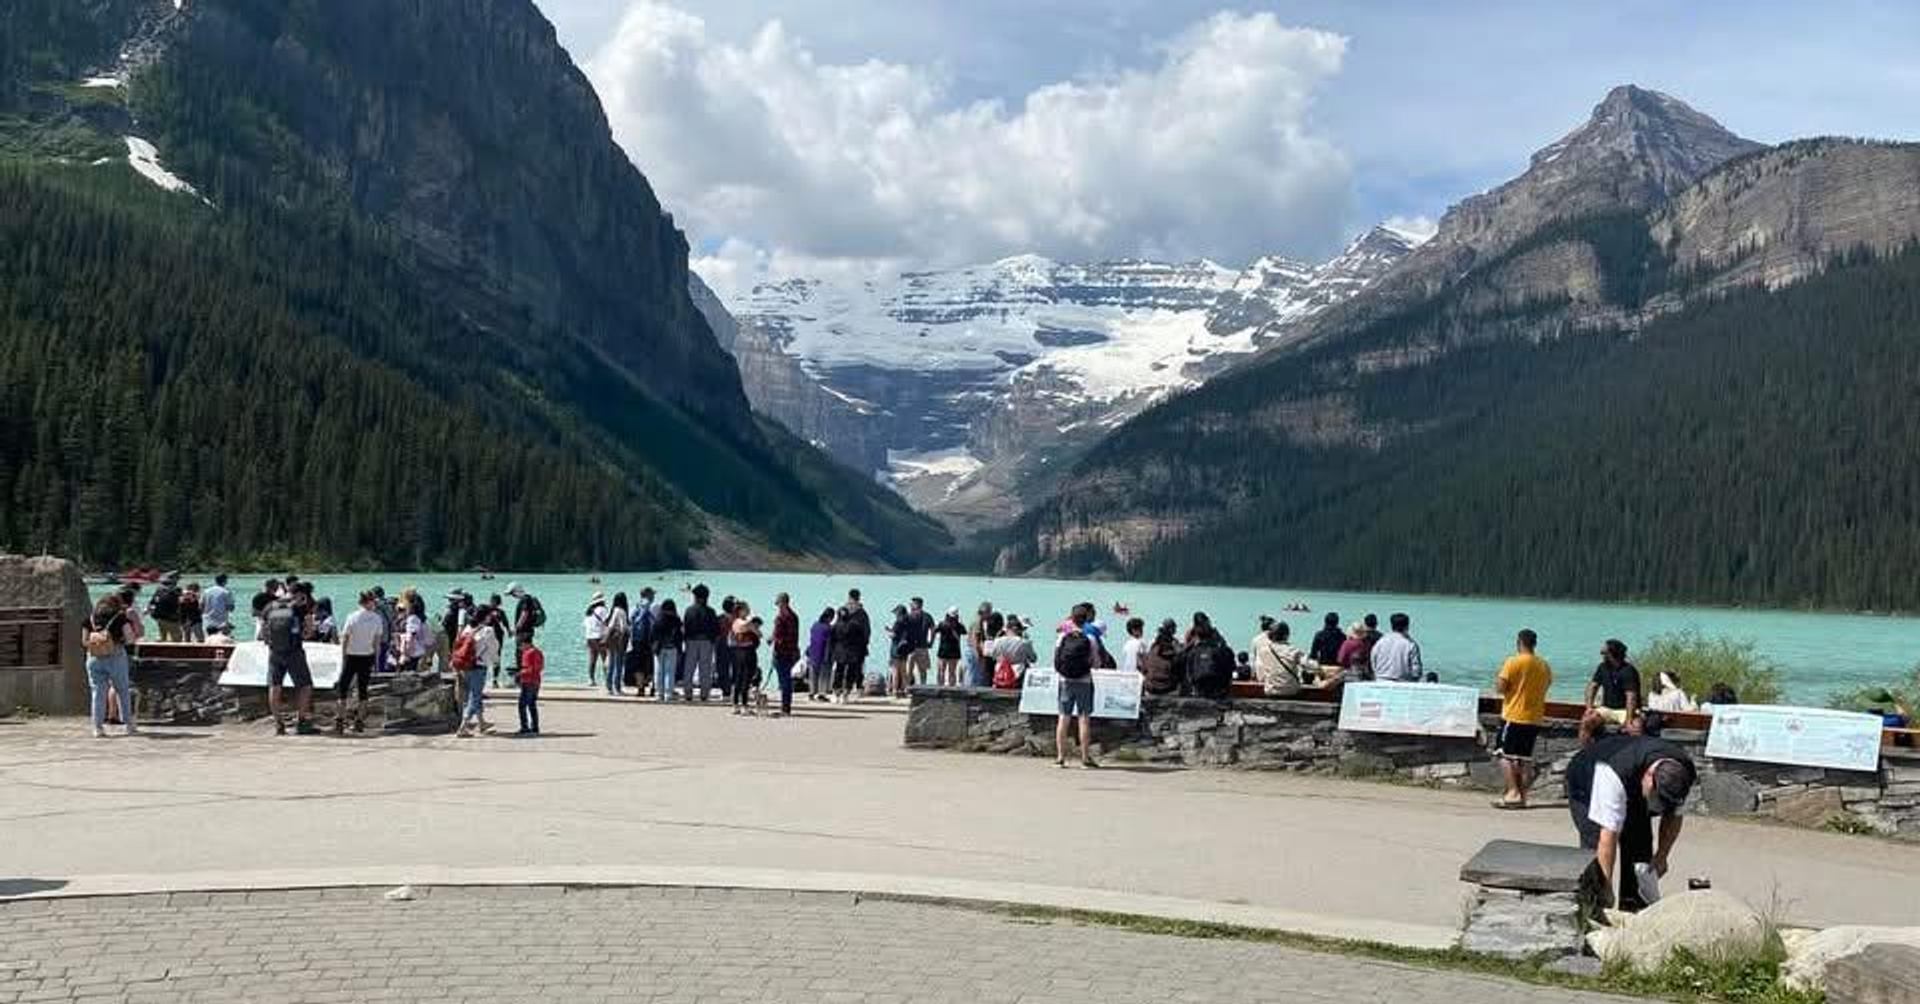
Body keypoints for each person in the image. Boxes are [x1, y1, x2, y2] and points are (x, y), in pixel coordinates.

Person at [1564, 720, 1697, 911]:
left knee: (1640, 848)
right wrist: (1606, 888)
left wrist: (1661, 856)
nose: (1656, 808)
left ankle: (1634, 909)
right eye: (1656, 800)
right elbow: (1607, 836)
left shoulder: (1683, 772)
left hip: (1633, 782)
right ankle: (1592, 910)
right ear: (1649, 778)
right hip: (1587, 778)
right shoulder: (1613, 775)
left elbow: (1674, 815)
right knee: (1593, 854)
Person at [1492, 628, 1553, 809]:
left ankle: (1513, 792)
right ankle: (1523, 795)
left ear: (1519, 642)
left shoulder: (1513, 662)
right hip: (1534, 717)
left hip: (1514, 715)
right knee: (1524, 758)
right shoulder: (1543, 665)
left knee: (1503, 754)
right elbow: (1547, 685)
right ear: (1534, 644)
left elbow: (1501, 687)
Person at [82, 594, 137, 738]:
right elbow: (130, 638)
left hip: (93, 658)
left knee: (97, 693)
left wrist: (98, 643)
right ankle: (128, 725)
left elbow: (84, 641)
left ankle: (97, 728)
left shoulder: (90, 619)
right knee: (122, 690)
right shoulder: (120, 618)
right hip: (116, 656)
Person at [1053, 603, 1100, 769]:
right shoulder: (1091, 639)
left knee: (1063, 717)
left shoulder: (1062, 637)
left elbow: (1057, 660)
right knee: (1084, 718)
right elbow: (1096, 664)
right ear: (1086, 619)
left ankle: (1060, 758)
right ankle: (1085, 758)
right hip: (1084, 681)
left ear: (1071, 618)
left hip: (1065, 681)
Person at [262, 593, 317, 735]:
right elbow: (309, 631)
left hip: (275, 652)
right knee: (305, 686)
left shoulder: (269, 608)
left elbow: (263, 633)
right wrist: (303, 635)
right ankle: (302, 721)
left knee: (274, 686)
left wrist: (271, 643)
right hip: (294, 652)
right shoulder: (299, 608)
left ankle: (279, 724)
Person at [335, 591, 384, 735]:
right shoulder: (377, 619)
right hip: (367, 656)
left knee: (343, 689)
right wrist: (376, 661)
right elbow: (377, 642)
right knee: (363, 690)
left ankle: (340, 720)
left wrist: (343, 657)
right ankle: (359, 721)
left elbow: (345, 639)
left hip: (351, 656)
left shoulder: (352, 617)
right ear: (370, 602)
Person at [1251, 621, 1315, 698]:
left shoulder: (1264, 651)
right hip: (1291, 691)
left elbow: (1259, 669)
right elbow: (1310, 666)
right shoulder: (1293, 651)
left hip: (1271, 691)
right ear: (1286, 636)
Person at [1586, 639, 1643, 724]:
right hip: (1607, 709)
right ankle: (1585, 738)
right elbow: (1592, 687)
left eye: (1604, 653)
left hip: (1625, 710)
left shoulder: (1628, 671)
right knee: (1587, 721)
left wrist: (1629, 719)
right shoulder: (1602, 668)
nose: (1602, 655)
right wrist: (1589, 708)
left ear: (1611, 654)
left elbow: (1631, 697)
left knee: (1635, 727)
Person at [1181, 612, 1235, 699]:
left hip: (1199, 688)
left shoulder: (1192, 649)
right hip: (1217, 690)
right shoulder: (1220, 647)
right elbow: (1230, 665)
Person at [681, 584, 720, 701]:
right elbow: (716, 629)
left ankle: (688, 692)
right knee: (705, 669)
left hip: (691, 641)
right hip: (707, 642)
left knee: (689, 667)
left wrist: (686, 639)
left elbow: (685, 627)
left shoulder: (689, 610)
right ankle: (704, 693)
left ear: (695, 596)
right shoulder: (711, 611)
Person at [830, 589, 870, 702]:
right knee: (853, 670)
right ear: (859, 597)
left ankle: (836, 692)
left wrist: (833, 647)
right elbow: (866, 632)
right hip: (856, 648)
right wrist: (864, 645)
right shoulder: (862, 613)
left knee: (839, 670)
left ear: (849, 596)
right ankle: (848, 693)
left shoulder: (842, 610)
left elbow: (834, 630)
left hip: (840, 648)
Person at [771, 593, 800, 717]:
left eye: (778, 603)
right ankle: (786, 707)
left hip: (782, 651)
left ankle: (785, 709)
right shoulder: (794, 616)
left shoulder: (781, 617)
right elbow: (793, 636)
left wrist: (774, 640)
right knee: (786, 679)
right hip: (791, 652)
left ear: (783, 603)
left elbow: (781, 636)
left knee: (784, 681)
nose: (777, 606)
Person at [1370, 613, 1423, 682]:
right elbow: (1416, 670)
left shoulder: (1380, 642)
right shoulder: (1410, 644)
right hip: (1403, 683)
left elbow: (1373, 661)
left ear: (1392, 626)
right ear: (1407, 626)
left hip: (1380, 681)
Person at [729, 607, 763, 715]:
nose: (748, 611)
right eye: (746, 609)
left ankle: (736, 704)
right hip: (747, 652)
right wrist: (754, 628)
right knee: (745, 679)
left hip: (739, 653)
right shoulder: (742, 623)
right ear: (740, 611)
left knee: (739, 678)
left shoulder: (735, 623)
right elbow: (758, 633)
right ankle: (743, 704)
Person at [987, 615, 1036, 688]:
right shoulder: (1024, 643)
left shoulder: (998, 641)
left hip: (1000, 673)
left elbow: (992, 655)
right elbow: (1033, 659)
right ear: (1017, 629)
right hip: (1018, 674)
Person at [508, 582, 545, 675]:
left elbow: (525, 614)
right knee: (524, 653)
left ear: (516, 591)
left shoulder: (525, 599)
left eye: (512, 594)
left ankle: (523, 675)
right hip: (527, 631)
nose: (513, 596)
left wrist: (516, 628)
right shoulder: (528, 599)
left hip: (524, 631)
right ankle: (526, 673)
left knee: (522, 653)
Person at [650, 599, 683, 702]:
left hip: (659, 648)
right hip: (672, 648)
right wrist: (680, 648)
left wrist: (653, 646)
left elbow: (652, 634)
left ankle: (659, 694)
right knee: (670, 672)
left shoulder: (659, 619)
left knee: (659, 671)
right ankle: (668, 694)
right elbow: (680, 635)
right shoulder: (676, 620)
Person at [1140, 619, 1183, 696]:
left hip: (1150, 687)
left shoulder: (1153, 646)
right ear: (1172, 630)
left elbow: (1144, 668)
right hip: (1168, 688)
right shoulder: (1175, 646)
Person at [902, 597, 935, 693]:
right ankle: (923, 688)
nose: (910, 606)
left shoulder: (909, 616)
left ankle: (907, 689)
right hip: (923, 647)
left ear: (916, 604)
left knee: (909, 670)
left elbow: (903, 629)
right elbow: (933, 630)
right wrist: (931, 642)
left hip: (910, 647)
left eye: (911, 604)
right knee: (923, 670)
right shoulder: (927, 616)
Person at [628, 587, 657, 695]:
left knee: (638, 664)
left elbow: (630, 621)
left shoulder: (635, 607)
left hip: (637, 640)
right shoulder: (654, 606)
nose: (654, 597)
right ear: (649, 595)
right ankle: (652, 688)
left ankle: (640, 688)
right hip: (649, 639)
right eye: (653, 594)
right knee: (651, 664)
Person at [1337, 614, 1381, 683]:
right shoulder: (1369, 642)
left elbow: (1341, 660)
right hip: (1368, 673)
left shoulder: (1348, 644)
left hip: (1350, 673)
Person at [517, 631, 545, 736]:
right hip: (536, 681)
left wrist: (519, 674)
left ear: (526, 643)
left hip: (528, 681)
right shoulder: (538, 652)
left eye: (521, 645)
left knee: (522, 705)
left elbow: (529, 669)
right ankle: (535, 727)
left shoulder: (528, 653)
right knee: (532, 704)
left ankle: (525, 727)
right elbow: (540, 667)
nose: (520, 648)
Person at [604, 592, 631, 696]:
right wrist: (629, 630)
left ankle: (609, 685)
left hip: (612, 640)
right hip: (619, 640)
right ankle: (617, 687)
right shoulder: (622, 612)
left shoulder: (613, 610)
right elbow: (623, 627)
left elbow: (610, 626)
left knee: (611, 663)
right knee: (619, 664)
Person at [806, 607, 836, 702]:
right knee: (824, 675)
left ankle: (812, 693)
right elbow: (829, 644)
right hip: (823, 654)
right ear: (830, 617)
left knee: (813, 675)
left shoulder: (814, 626)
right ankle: (821, 694)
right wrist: (829, 657)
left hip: (813, 653)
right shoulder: (828, 629)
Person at [582, 592, 609, 688]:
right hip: (599, 637)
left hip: (589, 637)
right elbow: (607, 622)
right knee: (605, 659)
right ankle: (607, 680)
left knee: (592, 659)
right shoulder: (603, 610)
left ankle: (591, 679)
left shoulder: (588, 612)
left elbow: (585, 625)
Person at [934, 607, 966, 686]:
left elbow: (934, 630)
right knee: (952, 672)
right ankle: (952, 689)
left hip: (943, 651)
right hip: (954, 651)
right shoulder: (958, 626)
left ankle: (940, 688)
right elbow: (965, 631)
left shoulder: (943, 624)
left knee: (941, 671)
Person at [146, 574, 183, 643]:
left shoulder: (159, 590)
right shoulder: (176, 591)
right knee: (177, 640)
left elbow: (152, 603)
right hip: (172, 619)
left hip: (160, 618)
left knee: (162, 637)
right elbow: (180, 604)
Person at [886, 604, 912, 698]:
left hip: (896, 648)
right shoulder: (908, 621)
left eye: (896, 612)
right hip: (904, 649)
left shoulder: (898, 622)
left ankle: (895, 690)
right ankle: (905, 690)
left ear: (899, 613)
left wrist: (889, 632)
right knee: (904, 671)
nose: (895, 615)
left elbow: (894, 635)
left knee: (895, 671)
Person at [202, 573, 235, 641]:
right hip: (221, 621)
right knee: (222, 641)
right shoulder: (226, 592)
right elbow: (231, 608)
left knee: (209, 640)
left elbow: (201, 606)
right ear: (225, 581)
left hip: (207, 621)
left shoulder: (206, 591)